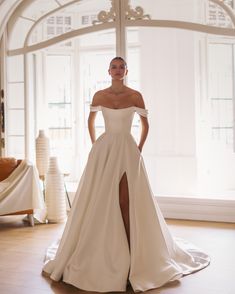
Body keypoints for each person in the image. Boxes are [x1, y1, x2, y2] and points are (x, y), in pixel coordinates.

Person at [42, 57, 210, 292]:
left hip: (127, 150)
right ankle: (105, 253)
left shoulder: (135, 95)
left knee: (126, 200)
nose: (118, 70)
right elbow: (90, 121)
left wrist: (139, 148)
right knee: (101, 200)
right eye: (114, 67)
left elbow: (145, 124)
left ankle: (133, 255)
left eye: (122, 67)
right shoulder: (100, 95)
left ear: (126, 71)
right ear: (108, 71)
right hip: (105, 150)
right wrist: (95, 146)